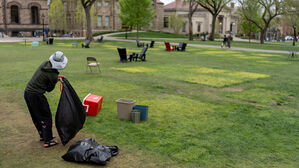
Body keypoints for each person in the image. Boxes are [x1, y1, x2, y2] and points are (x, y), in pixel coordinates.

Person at [24, 51, 68, 148]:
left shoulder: (44, 64)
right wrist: (55, 80)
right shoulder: (53, 76)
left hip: (27, 93)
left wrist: (56, 78)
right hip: (37, 95)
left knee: (36, 115)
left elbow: (47, 76)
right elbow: (49, 89)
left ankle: (43, 135)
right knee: (46, 116)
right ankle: (48, 141)